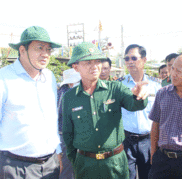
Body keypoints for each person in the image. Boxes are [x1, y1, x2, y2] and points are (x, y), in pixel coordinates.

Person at [0, 26, 63, 179]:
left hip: (50, 165)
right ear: (22, 50)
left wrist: (58, 151)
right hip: (15, 168)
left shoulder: (49, 77)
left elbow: (51, 119)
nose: (45, 54)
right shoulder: (1, 79)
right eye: (39, 48)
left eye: (48, 49)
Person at [62, 42, 149, 179]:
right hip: (85, 164)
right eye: (88, 62)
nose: (94, 66)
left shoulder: (115, 88)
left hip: (115, 163)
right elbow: (68, 134)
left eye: (97, 61)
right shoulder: (69, 97)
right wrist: (76, 161)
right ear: (75, 67)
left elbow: (134, 105)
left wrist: (139, 96)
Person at [117, 44, 162, 179]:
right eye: (127, 58)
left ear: (144, 60)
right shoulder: (119, 85)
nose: (130, 61)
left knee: (148, 175)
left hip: (148, 140)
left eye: (134, 58)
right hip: (125, 140)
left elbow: (160, 116)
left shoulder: (156, 86)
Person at [57, 68, 81, 179]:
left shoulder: (68, 92)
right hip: (64, 136)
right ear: (71, 82)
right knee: (67, 168)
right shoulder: (64, 94)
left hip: (72, 136)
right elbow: (58, 115)